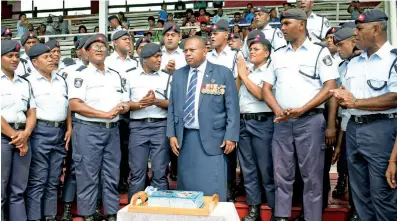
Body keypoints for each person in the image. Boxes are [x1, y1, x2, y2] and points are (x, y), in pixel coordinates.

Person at [261, 9, 339, 221]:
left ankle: (312, 217)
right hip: (282, 122)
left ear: (302, 25)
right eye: (281, 24)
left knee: (312, 176)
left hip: (310, 120)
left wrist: (303, 109)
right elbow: (266, 88)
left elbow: (330, 86)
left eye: (286, 23)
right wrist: (277, 109)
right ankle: (281, 215)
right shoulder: (277, 54)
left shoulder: (319, 52)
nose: (282, 28)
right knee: (281, 173)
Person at [330, 9, 397, 221]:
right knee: (359, 196)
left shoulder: (392, 60)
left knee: (383, 194)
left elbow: (395, 97)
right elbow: (348, 97)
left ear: (376, 29)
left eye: (359, 29)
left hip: (382, 130)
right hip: (354, 128)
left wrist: (356, 102)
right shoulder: (354, 63)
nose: (355, 35)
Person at [166, 36, 239, 202]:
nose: (188, 54)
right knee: (188, 190)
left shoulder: (222, 73)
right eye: (185, 51)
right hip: (185, 139)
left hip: (214, 139)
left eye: (192, 50)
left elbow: (232, 108)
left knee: (212, 187)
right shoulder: (178, 75)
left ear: (205, 51)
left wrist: (231, 136)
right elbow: (172, 107)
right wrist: (171, 134)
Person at [68, 34, 130, 221]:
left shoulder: (116, 75)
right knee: (88, 174)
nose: (99, 49)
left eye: (102, 46)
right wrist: (105, 114)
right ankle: (88, 214)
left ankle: (111, 212)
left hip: (112, 130)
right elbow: (75, 105)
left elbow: (125, 102)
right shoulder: (80, 75)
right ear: (86, 51)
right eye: (95, 46)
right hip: (88, 130)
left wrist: (123, 107)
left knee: (112, 173)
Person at [22, 43, 71, 221]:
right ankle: (35, 217)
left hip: (59, 132)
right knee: (38, 179)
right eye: (46, 57)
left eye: (52, 56)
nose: (51, 59)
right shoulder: (27, 81)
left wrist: (69, 127)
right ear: (35, 62)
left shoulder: (61, 80)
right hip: (39, 131)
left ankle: (49, 216)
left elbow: (67, 106)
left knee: (53, 178)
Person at [237, 31, 275, 221]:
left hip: (262, 122)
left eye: (256, 49)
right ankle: (254, 207)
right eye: (250, 49)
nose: (251, 52)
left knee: (266, 167)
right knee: (248, 168)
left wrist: (244, 76)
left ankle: (275, 208)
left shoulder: (270, 70)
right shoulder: (247, 70)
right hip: (243, 121)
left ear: (267, 53)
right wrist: (240, 75)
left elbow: (262, 95)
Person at [126, 43, 171, 200]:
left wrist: (156, 101)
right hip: (138, 127)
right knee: (137, 173)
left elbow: (173, 103)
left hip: (161, 126)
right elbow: (123, 103)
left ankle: (160, 211)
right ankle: (134, 212)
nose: (160, 60)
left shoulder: (167, 77)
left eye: (160, 56)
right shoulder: (130, 76)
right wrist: (140, 104)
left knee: (160, 172)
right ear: (145, 59)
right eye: (156, 57)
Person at [1, 40, 36, 221]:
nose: (15, 59)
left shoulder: (24, 83)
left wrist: (26, 134)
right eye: (10, 56)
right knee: (0, 189)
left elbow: (31, 112)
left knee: (18, 189)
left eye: (17, 56)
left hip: (23, 135)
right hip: (3, 138)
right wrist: (17, 138)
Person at [332, 26, 360, 221]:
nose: (337, 49)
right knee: (353, 169)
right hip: (348, 122)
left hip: (372, 123)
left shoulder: (364, 63)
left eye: (341, 44)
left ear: (353, 41)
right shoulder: (342, 66)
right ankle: (356, 210)